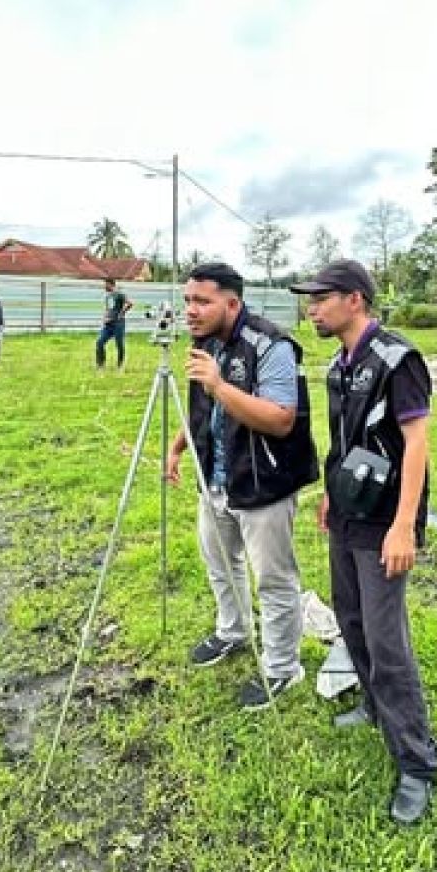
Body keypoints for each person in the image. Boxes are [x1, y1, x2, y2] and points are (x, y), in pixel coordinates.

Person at [290, 259, 437, 824]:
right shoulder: (338, 365)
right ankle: (376, 711)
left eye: (320, 298)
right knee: (350, 622)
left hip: (385, 522)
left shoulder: (398, 360)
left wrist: (404, 526)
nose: (312, 307)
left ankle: (417, 763)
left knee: (386, 641)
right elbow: (342, 441)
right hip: (348, 514)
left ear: (355, 300)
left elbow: (417, 446)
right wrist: (331, 494)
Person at [166, 262, 319, 709]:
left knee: (273, 579)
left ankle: (282, 668)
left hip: (263, 480)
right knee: (220, 563)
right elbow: (204, 407)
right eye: (187, 300)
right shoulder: (204, 340)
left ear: (232, 303)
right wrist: (179, 446)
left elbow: (280, 418)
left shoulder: (271, 345)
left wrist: (218, 384)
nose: (190, 310)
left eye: (201, 301)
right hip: (215, 475)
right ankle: (233, 632)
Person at [97, 278, 134, 370]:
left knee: (119, 344)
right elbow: (108, 309)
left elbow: (129, 303)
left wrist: (122, 313)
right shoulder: (107, 296)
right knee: (99, 342)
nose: (104, 286)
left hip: (118, 324)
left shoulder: (119, 294)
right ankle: (101, 365)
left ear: (111, 284)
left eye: (106, 284)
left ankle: (120, 366)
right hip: (108, 325)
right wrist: (105, 318)